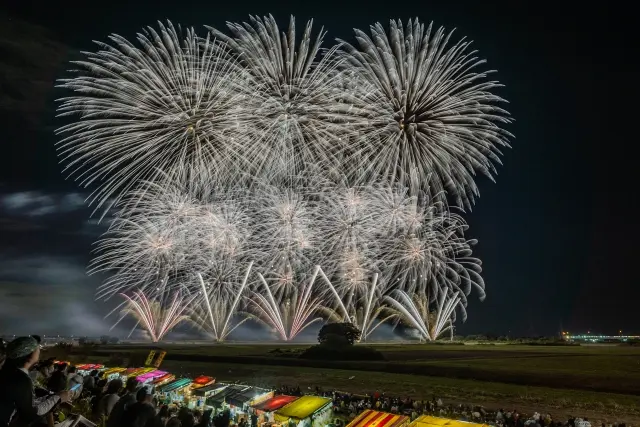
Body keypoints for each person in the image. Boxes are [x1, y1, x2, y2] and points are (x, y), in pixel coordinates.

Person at [0, 336, 71, 426]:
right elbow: (32, 413)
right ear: (29, 355)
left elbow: (23, 402)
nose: (39, 351)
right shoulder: (21, 380)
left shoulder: (7, 373)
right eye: (37, 349)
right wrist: (59, 398)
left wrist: (51, 396)